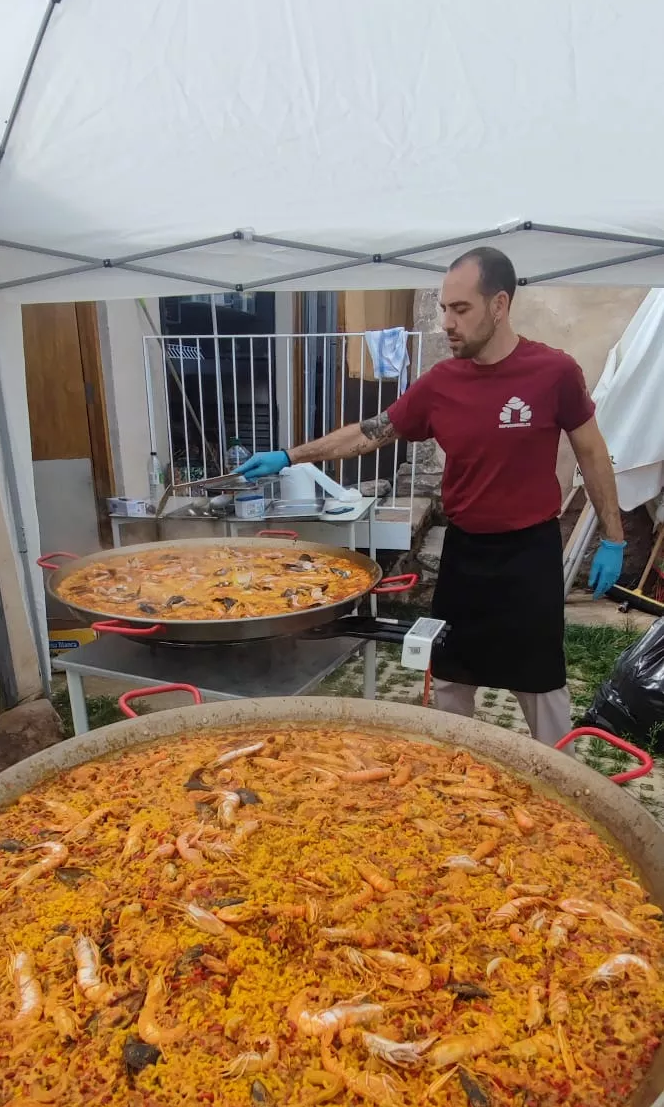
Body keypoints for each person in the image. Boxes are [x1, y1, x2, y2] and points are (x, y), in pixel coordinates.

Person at [237, 248, 625, 747]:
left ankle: (560, 777)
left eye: (460, 309)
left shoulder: (554, 372)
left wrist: (613, 538)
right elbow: (369, 433)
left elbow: (592, 452)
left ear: (499, 305)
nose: (447, 323)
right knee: (450, 673)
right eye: (444, 309)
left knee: (541, 683)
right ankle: (451, 771)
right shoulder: (441, 383)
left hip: (530, 554)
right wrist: (290, 456)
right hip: (464, 554)